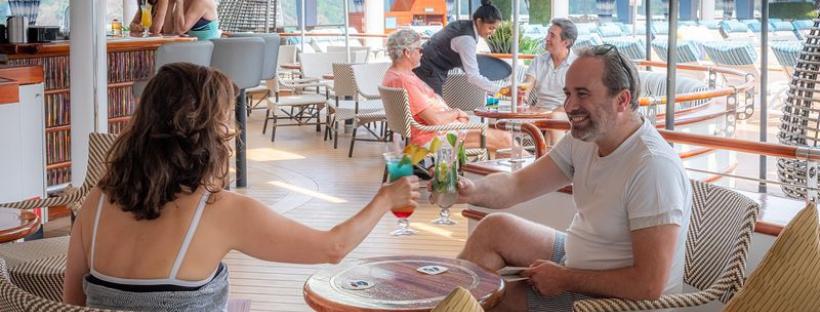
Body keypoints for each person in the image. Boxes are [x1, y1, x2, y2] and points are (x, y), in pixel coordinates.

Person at [63, 63, 420, 311]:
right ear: (209, 132)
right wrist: (385, 198)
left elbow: (72, 303)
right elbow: (333, 247)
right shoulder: (220, 211)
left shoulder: (97, 201)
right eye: (225, 117)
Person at [435, 44, 692, 312]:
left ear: (622, 101)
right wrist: (471, 190)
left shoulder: (653, 168)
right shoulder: (587, 138)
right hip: (579, 259)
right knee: (493, 229)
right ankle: (446, 306)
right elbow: (519, 184)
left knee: (492, 298)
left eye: (583, 94)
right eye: (568, 94)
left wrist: (565, 278)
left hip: (617, 303)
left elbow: (649, 285)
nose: (570, 106)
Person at [383, 29, 511, 153]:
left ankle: (512, 172)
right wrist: (456, 113)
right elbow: (435, 120)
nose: (422, 53)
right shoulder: (404, 81)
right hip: (435, 136)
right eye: (420, 49)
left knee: (502, 143)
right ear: (407, 52)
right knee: (505, 139)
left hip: (442, 130)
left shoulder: (395, 75)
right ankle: (526, 173)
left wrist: (457, 119)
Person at [413, 0, 508, 96]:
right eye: (490, 28)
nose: (493, 32)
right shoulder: (466, 39)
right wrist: (502, 90)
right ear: (479, 21)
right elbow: (473, 76)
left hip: (420, 64)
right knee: (435, 107)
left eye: (495, 29)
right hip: (428, 70)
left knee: (433, 106)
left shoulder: (462, 25)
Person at [520, 18, 578, 110]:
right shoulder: (538, 61)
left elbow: (577, 101)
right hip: (538, 114)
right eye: (548, 34)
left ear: (566, 42)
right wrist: (522, 95)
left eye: (552, 35)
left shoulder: (577, 65)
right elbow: (527, 85)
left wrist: (552, 113)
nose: (546, 38)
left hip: (565, 115)